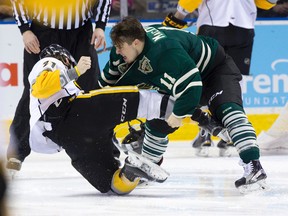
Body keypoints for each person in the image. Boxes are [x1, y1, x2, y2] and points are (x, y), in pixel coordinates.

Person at [98, 16, 268, 193]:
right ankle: (147, 166)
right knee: (157, 122)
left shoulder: (165, 52)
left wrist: (179, 115)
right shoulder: (122, 54)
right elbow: (104, 86)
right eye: (116, 46)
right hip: (185, 77)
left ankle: (254, 167)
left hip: (215, 71)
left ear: (135, 43)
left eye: (120, 47)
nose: (117, 51)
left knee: (229, 112)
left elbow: (192, 84)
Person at [27, 44, 176, 194]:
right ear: (65, 59)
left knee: (113, 185)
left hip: (69, 140)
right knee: (141, 101)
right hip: (77, 112)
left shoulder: (47, 99)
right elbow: (41, 87)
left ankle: (131, 171)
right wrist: (76, 71)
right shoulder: (50, 62)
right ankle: (179, 108)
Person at [162, 0, 278, 157]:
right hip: (243, 28)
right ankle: (232, 133)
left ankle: (205, 132)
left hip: (213, 25)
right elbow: (267, 2)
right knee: (235, 80)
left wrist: (178, 16)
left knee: (205, 77)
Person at [7, 0, 111, 174]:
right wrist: (25, 29)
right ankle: (16, 154)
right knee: (34, 91)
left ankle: (106, 153)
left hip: (81, 33)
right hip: (43, 32)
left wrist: (100, 25)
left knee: (91, 92)